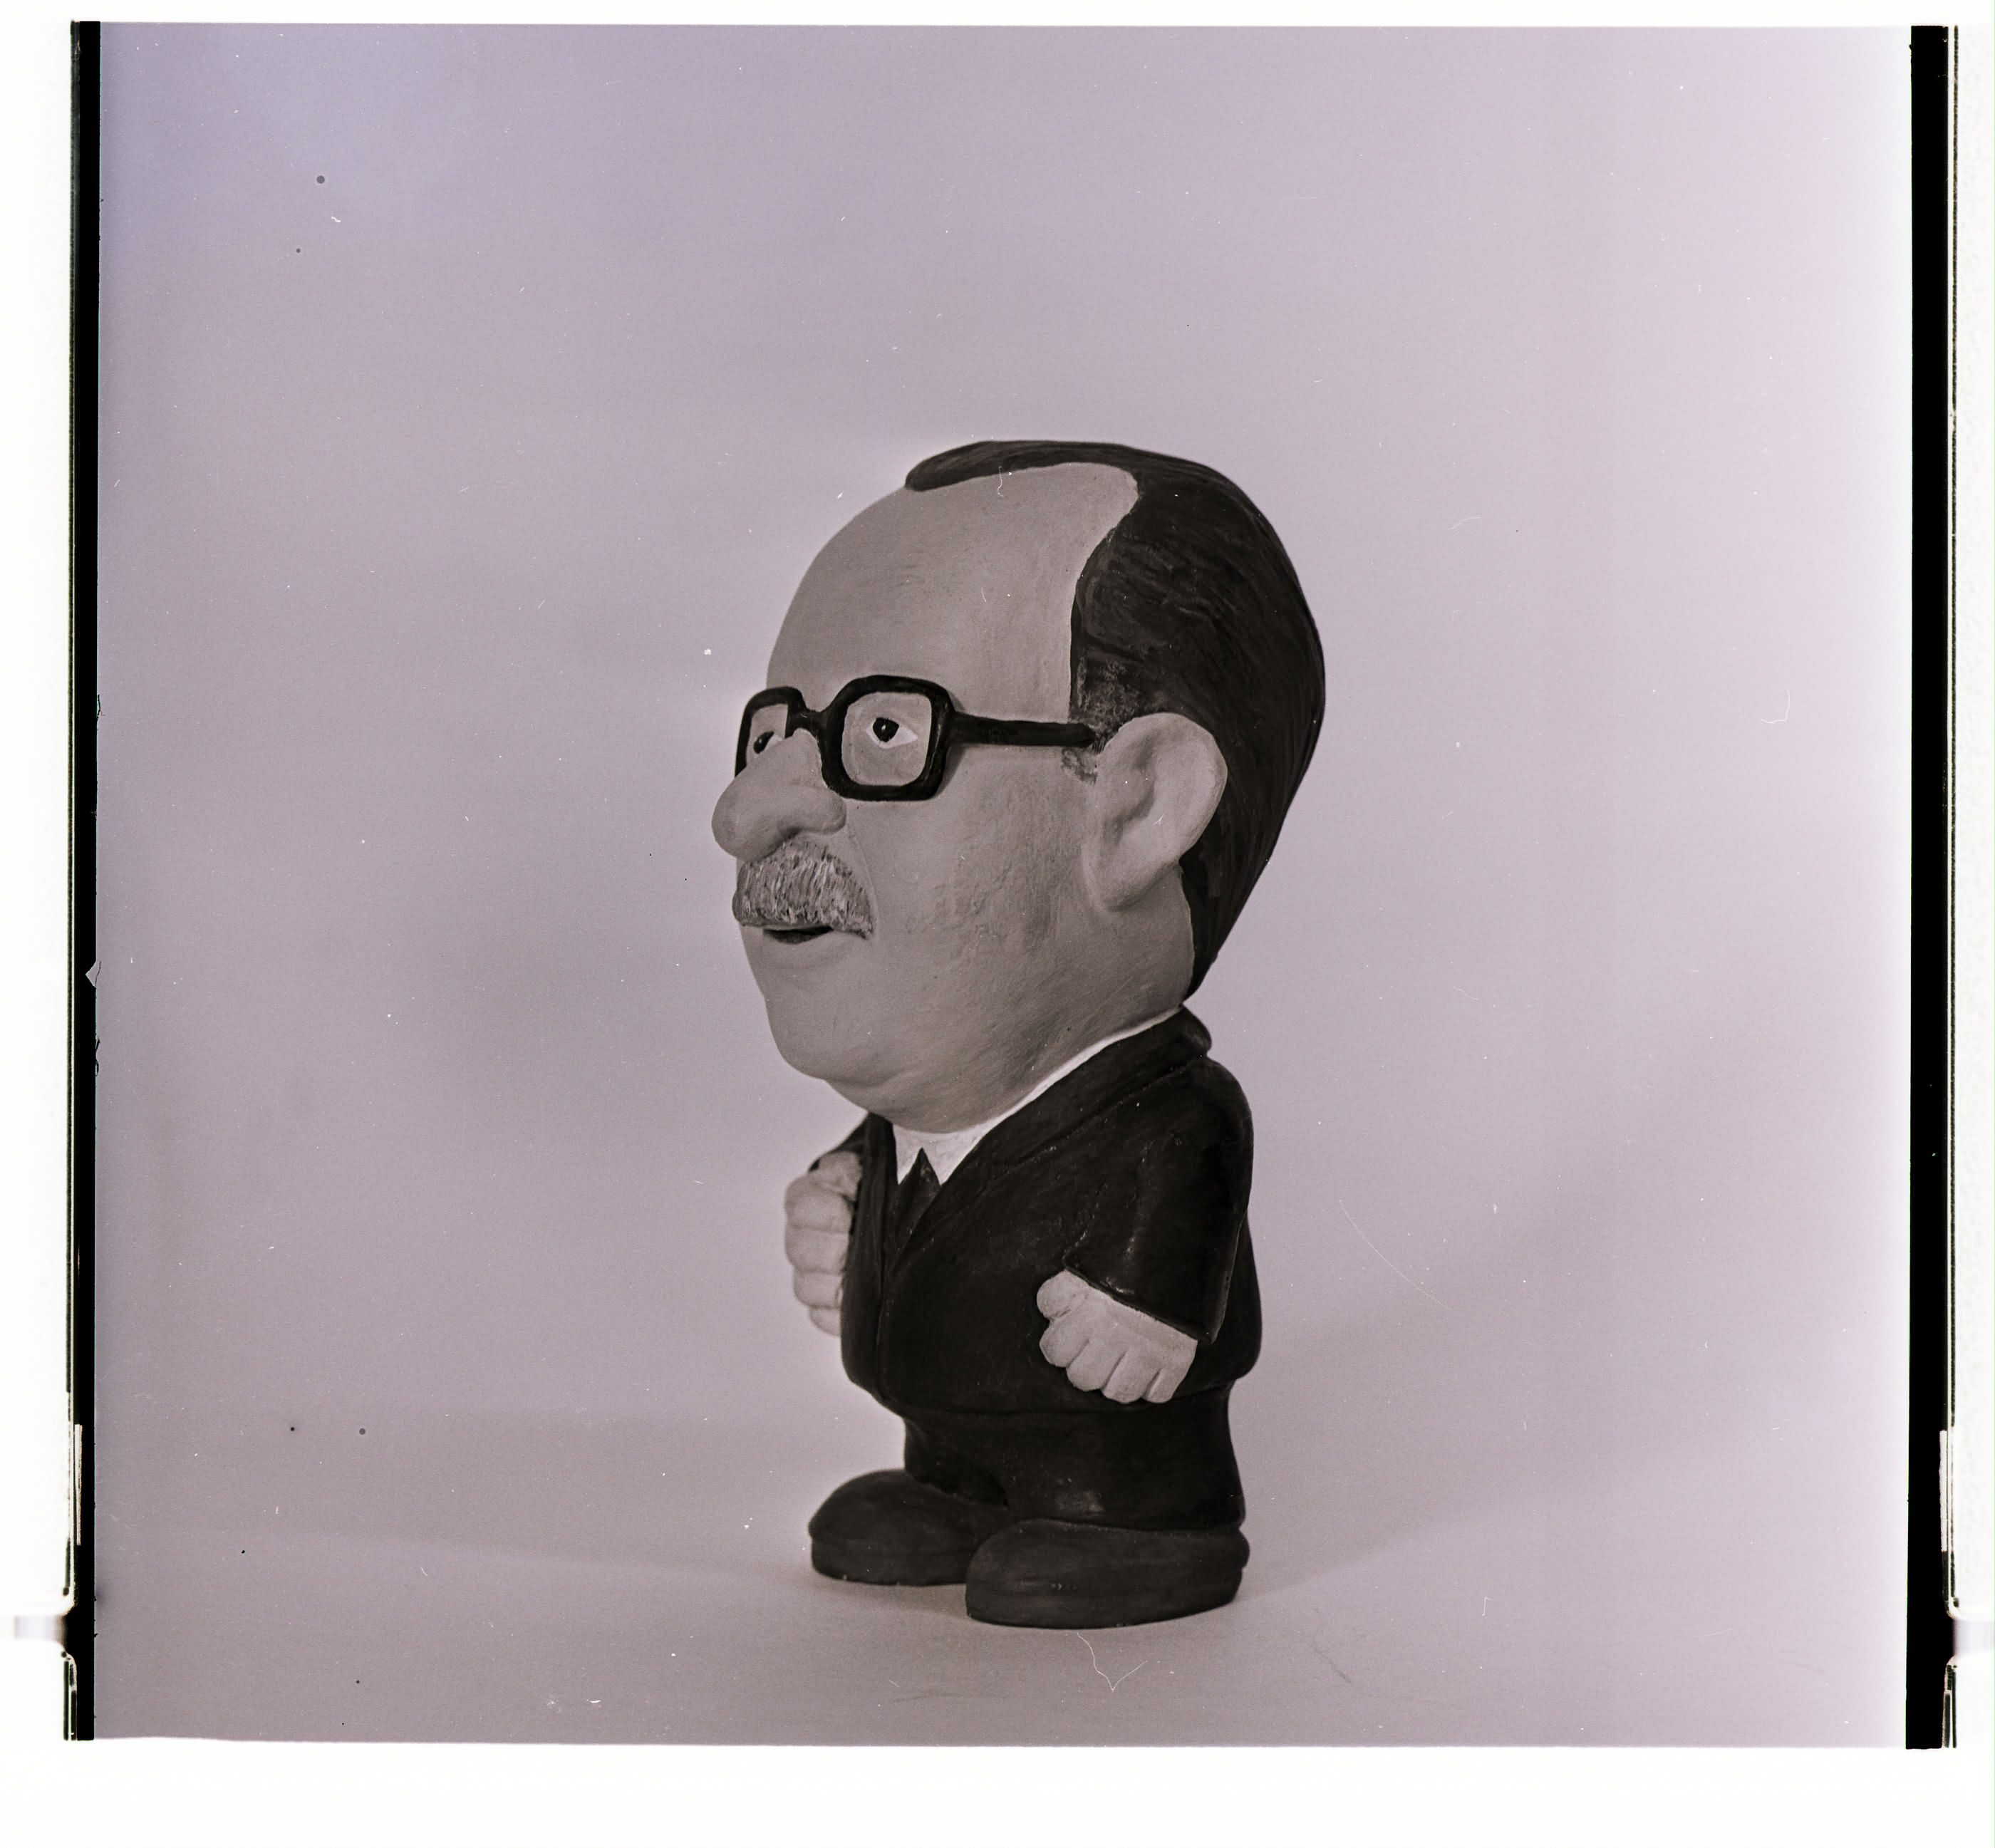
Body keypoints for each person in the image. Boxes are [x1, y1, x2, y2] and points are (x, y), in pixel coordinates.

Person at [711, 440, 1324, 1627]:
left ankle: (1144, 1523)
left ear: (1140, 804)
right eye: (768, 736)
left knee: (1118, 1475)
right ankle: (957, 1490)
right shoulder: (909, 1115)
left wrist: (1144, 1307)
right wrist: (842, 1200)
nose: (745, 815)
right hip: (946, 1418)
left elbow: (1180, 1250)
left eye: (884, 733)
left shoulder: (1172, 1124)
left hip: (1123, 1455)